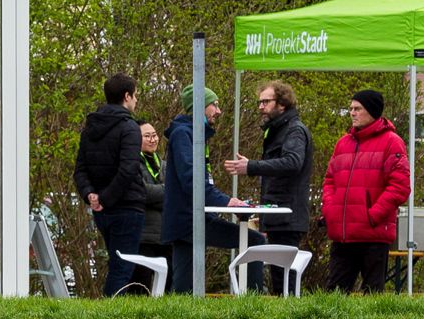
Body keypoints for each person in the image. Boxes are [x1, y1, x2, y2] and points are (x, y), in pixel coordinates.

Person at [225, 81, 314, 294]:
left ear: (282, 104)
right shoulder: (277, 130)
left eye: (266, 102)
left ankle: (292, 312)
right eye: (260, 102)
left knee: (286, 280)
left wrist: (252, 166)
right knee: (279, 278)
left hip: (287, 214)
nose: (260, 107)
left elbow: (293, 162)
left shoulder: (294, 130)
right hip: (278, 214)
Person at [322, 89, 411, 294]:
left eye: (358, 108)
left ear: (372, 111)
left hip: (373, 235)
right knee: (333, 295)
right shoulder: (342, 144)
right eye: (351, 108)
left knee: (373, 295)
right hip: (343, 234)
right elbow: (329, 181)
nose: (352, 113)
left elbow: (400, 186)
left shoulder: (392, 142)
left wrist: (372, 215)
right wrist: (330, 210)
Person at [163, 84, 248, 294]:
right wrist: (226, 202)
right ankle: (253, 301)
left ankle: (178, 313)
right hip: (189, 221)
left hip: (190, 219)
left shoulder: (194, 135)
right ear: (199, 105)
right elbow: (192, 180)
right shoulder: (183, 134)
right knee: (253, 242)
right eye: (214, 105)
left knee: (183, 287)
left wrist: (223, 202)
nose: (219, 111)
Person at [72, 73, 147, 296]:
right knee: (122, 269)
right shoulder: (129, 127)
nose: (136, 100)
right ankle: (109, 311)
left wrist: (91, 196)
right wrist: (104, 198)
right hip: (126, 206)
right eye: (135, 95)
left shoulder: (91, 128)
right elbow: (128, 170)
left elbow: (80, 170)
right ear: (127, 96)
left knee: (117, 264)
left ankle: (111, 307)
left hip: (102, 211)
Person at [133, 120, 169, 291]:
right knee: (141, 288)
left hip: (166, 235)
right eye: (147, 136)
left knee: (168, 288)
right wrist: (167, 190)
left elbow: (177, 195)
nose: (153, 139)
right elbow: (143, 193)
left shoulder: (164, 165)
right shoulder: (132, 165)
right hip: (143, 236)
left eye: (154, 135)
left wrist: (160, 194)